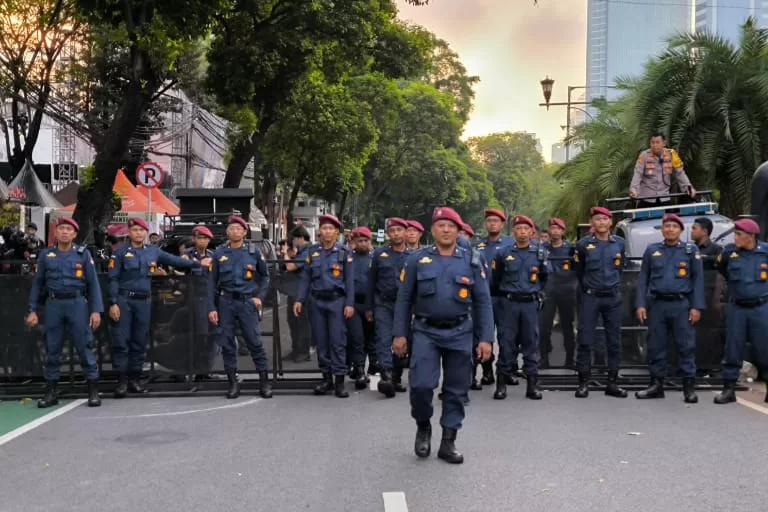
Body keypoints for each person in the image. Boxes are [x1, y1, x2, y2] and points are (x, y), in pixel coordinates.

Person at [393, 206, 494, 464]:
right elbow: (404, 299)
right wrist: (399, 334)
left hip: (460, 332)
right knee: (422, 385)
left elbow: (483, 300)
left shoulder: (471, 260)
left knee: (456, 389)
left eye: (451, 226)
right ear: (433, 230)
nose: (446, 230)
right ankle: (423, 425)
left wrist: (486, 339)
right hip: (426, 331)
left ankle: (448, 442)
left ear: (459, 230)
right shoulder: (417, 259)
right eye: (441, 225)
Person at [108, 218, 204, 398]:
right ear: (130, 233)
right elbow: (113, 278)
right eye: (135, 230)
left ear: (145, 233)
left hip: (143, 302)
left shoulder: (153, 252)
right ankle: (121, 382)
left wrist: (198, 263)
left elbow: (176, 261)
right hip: (124, 301)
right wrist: (113, 302)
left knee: (139, 341)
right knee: (121, 342)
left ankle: (135, 380)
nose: (138, 233)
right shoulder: (120, 253)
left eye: (141, 230)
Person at [27, 218, 103, 408]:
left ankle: (93, 391)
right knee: (52, 349)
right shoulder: (46, 255)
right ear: (56, 232)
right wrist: (32, 310)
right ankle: (51, 392)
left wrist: (96, 311)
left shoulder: (83, 254)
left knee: (84, 346)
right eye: (61, 228)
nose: (64, 232)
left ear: (74, 234)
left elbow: (93, 284)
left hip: (77, 303)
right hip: (54, 304)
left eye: (69, 229)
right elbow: (38, 284)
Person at [634, 214, 704, 403]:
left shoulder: (690, 250)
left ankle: (688, 388)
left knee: (686, 346)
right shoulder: (652, 251)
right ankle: (656, 385)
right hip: (657, 304)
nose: (670, 229)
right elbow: (643, 279)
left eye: (674, 226)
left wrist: (696, 306)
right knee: (656, 345)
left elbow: (698, 280)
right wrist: (640, 304)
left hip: (681, 304)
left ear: (681, 230)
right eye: (667, 226)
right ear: (662, 230)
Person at [207, 216, 272, 399]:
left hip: (247, 302)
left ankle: (264, 382)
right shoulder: (219, 254)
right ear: (227, 232)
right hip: (226, 302)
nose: (234, 231)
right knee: (227, 344)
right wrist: (211, 307)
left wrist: (259, 297)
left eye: (238, 228)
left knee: (255, 342)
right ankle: (233, 383)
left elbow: (265, 276)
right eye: (231, 228)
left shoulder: (253, 252)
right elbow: (212, 283)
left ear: (244, 232)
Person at [293, 215, 355, 398]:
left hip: (337, 302)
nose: (327, 232)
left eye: (331, 229)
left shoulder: (344, 253)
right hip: (317, 302)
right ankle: (326, 378)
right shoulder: (313, 252)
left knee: (337, 341)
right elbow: (306, 279)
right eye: (324, 228)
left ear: (336, 232)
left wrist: (349, 303)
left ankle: (339, 382)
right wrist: (299, 299)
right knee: (321, 342)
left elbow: (350, 281)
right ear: (319, 231)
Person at [491, 215, 548, 400]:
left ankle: (532, 386)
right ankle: (501, 384)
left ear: (532, 232)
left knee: (531, 343)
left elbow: (544, 278)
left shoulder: (539, 253)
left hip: (530, 304)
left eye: (526, 228)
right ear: (513, 231)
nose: (522, 232)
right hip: (510, 304)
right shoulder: (503, 253)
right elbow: (496, 278)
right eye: (518, 228)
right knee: (506, 343)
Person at [573, 206, 628, 399]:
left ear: (610, 222)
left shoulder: (619, 243)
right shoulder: (583, 245)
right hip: (591, 296)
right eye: (597, 219)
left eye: (605, 219)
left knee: (614, 341)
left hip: (612, 297)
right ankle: (583, 383)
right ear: (592, 223)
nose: (601, 223)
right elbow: (579, 271)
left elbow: (620, 268)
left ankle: (612, 383)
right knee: (585, 339)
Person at [714, 218, 768, 404]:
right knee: (733, 348)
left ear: (751, 236)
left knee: (764, 348)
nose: (735, 238)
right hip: (738, 308)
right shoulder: (730, 253)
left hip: (761, 308)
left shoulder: (765, 252)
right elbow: (722, 269)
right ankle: (728, 389)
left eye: (739, 234)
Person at [367, 217, 411, 397]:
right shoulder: (379, 254)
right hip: (383, 303)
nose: (396, 234)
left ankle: (397, 377)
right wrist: (369, 307)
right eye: (392, 231)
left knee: (401, 341)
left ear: (406, 233)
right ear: (388, 234)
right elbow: (371, 282)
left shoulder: (413, 256)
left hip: (405, 305)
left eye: (399, 230)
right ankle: (386, 376)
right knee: (383, 339)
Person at [473, 209, 514, 388]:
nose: (492, 224)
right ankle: (486, 370)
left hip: (504, 298)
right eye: (489, 221)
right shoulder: (477, 246)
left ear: (502, 224)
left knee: (506, 337)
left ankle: (505, 371)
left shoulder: (511, 244)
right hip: (483, 298)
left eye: (495, 221)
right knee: (483, 336)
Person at [539, 218, 577, 369]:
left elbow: (577, 269)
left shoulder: (570, 249)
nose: (554, 231)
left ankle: (570, 359)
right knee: (544, 326)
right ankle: (543, 359)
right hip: (548, 291)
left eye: (557, 229)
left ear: (563, 231)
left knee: (567, 325)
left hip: (566, 291)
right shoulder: (542, 249)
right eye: (552, 228)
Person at [181, 226, 216, 379]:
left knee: (210, 336)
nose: (203, 241)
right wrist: (199, 265)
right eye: (200, 238)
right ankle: (191, 371)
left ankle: (205, 370)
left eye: (205, 238)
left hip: (210, 298)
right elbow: (181, 271)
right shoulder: (187, 256)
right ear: (194, 239)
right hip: (193, 298)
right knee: (196, 336)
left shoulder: (213, 256)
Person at [630, 133, 696, 203]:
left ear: (664, 143)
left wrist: (688, 188)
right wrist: (634, 190)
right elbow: (637, 174)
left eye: (657, 142)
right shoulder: (644, 155)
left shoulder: (671, 154)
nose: (655, 145)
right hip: (646, 199)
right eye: (652, 142)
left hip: (664, 198)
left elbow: (679, 173)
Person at [346, 227, 374, 389]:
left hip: (371, 304)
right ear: (354, 243)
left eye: (365, 241)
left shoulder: (375, 258)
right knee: (357, 338)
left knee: (372, 340)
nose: (363, 244)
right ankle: (359, 370)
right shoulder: (348, 258)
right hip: (354, 303)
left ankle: (375, 373)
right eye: (359, 241)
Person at [282, 225, 313, 363]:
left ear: (300, 238)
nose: (292, 242)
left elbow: (291, 266)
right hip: (293, 289)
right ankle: (296, 349)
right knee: (292, 321)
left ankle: (304, 351)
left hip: (301, 291)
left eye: (293, 239)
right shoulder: (300, 251)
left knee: (301, 323)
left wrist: (285, 253)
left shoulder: (308, 251)